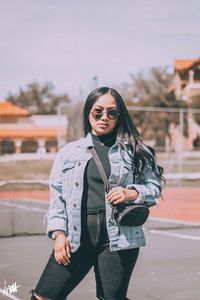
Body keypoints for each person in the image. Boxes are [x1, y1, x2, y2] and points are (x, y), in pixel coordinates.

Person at [31, 87, 164, 300]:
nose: (104, 117)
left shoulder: (136, 151)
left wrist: (131, 193)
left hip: (119, 241)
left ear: (119, 116)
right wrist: (58, 234)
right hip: (75, 238)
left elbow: (154, 188)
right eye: (98, 111)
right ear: (88, 113)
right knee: (44, 296)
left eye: (112, 112)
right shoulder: (68, 152)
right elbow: (57, 198)